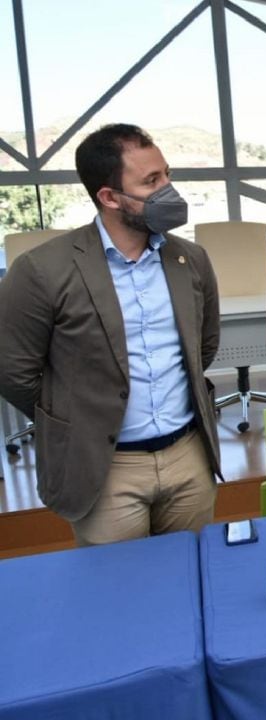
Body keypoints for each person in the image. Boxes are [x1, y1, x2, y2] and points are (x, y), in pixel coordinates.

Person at [0, 123, 221, 545]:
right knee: (120, 597)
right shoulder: (42, 269)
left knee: (193, 584)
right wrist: (74, 421)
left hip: (189, 457)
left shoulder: (190, 259)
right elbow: (14, 371)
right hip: (105, 470)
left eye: (167, 175)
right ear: (109, 196)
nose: (168, 189)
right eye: (151, 181)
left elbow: (202, 346)